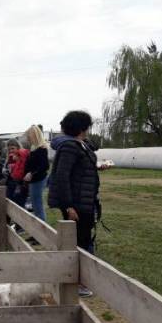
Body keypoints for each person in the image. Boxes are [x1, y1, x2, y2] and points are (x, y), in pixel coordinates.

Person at [47, 111, 108, 297]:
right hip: (77, 204)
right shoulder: (70, 147)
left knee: (84, 239)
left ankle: (83, 279)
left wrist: (97, 168)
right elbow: (62, 176)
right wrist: (68, 206)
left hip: (86, 201)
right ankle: (79, 282)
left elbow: (78, 171)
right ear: (82, 127)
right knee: (79, 243)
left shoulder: (81, 146)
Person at [24, 125, 50, 224]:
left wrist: (31, 173)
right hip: (34, 180)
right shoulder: (34, 148)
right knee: (35, 205)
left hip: (38, 180)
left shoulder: (41, 149)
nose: (27, 138)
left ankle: (42, 231)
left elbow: (45, 166)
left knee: (37, 205)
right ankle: (38, 232)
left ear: (34, 135)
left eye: (29, 136)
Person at [4, 138, 30, 233]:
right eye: (9, 149)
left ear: (18, 147)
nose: (11, 151)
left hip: (19, 184)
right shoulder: (9, 159)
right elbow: (6, 170)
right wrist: (6, 170)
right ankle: (6, 225)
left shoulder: (22, 156)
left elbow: (23, 169)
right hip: (11, 183)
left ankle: (21, 226)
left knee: (19, 204)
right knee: (7, 203)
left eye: (13, 148)